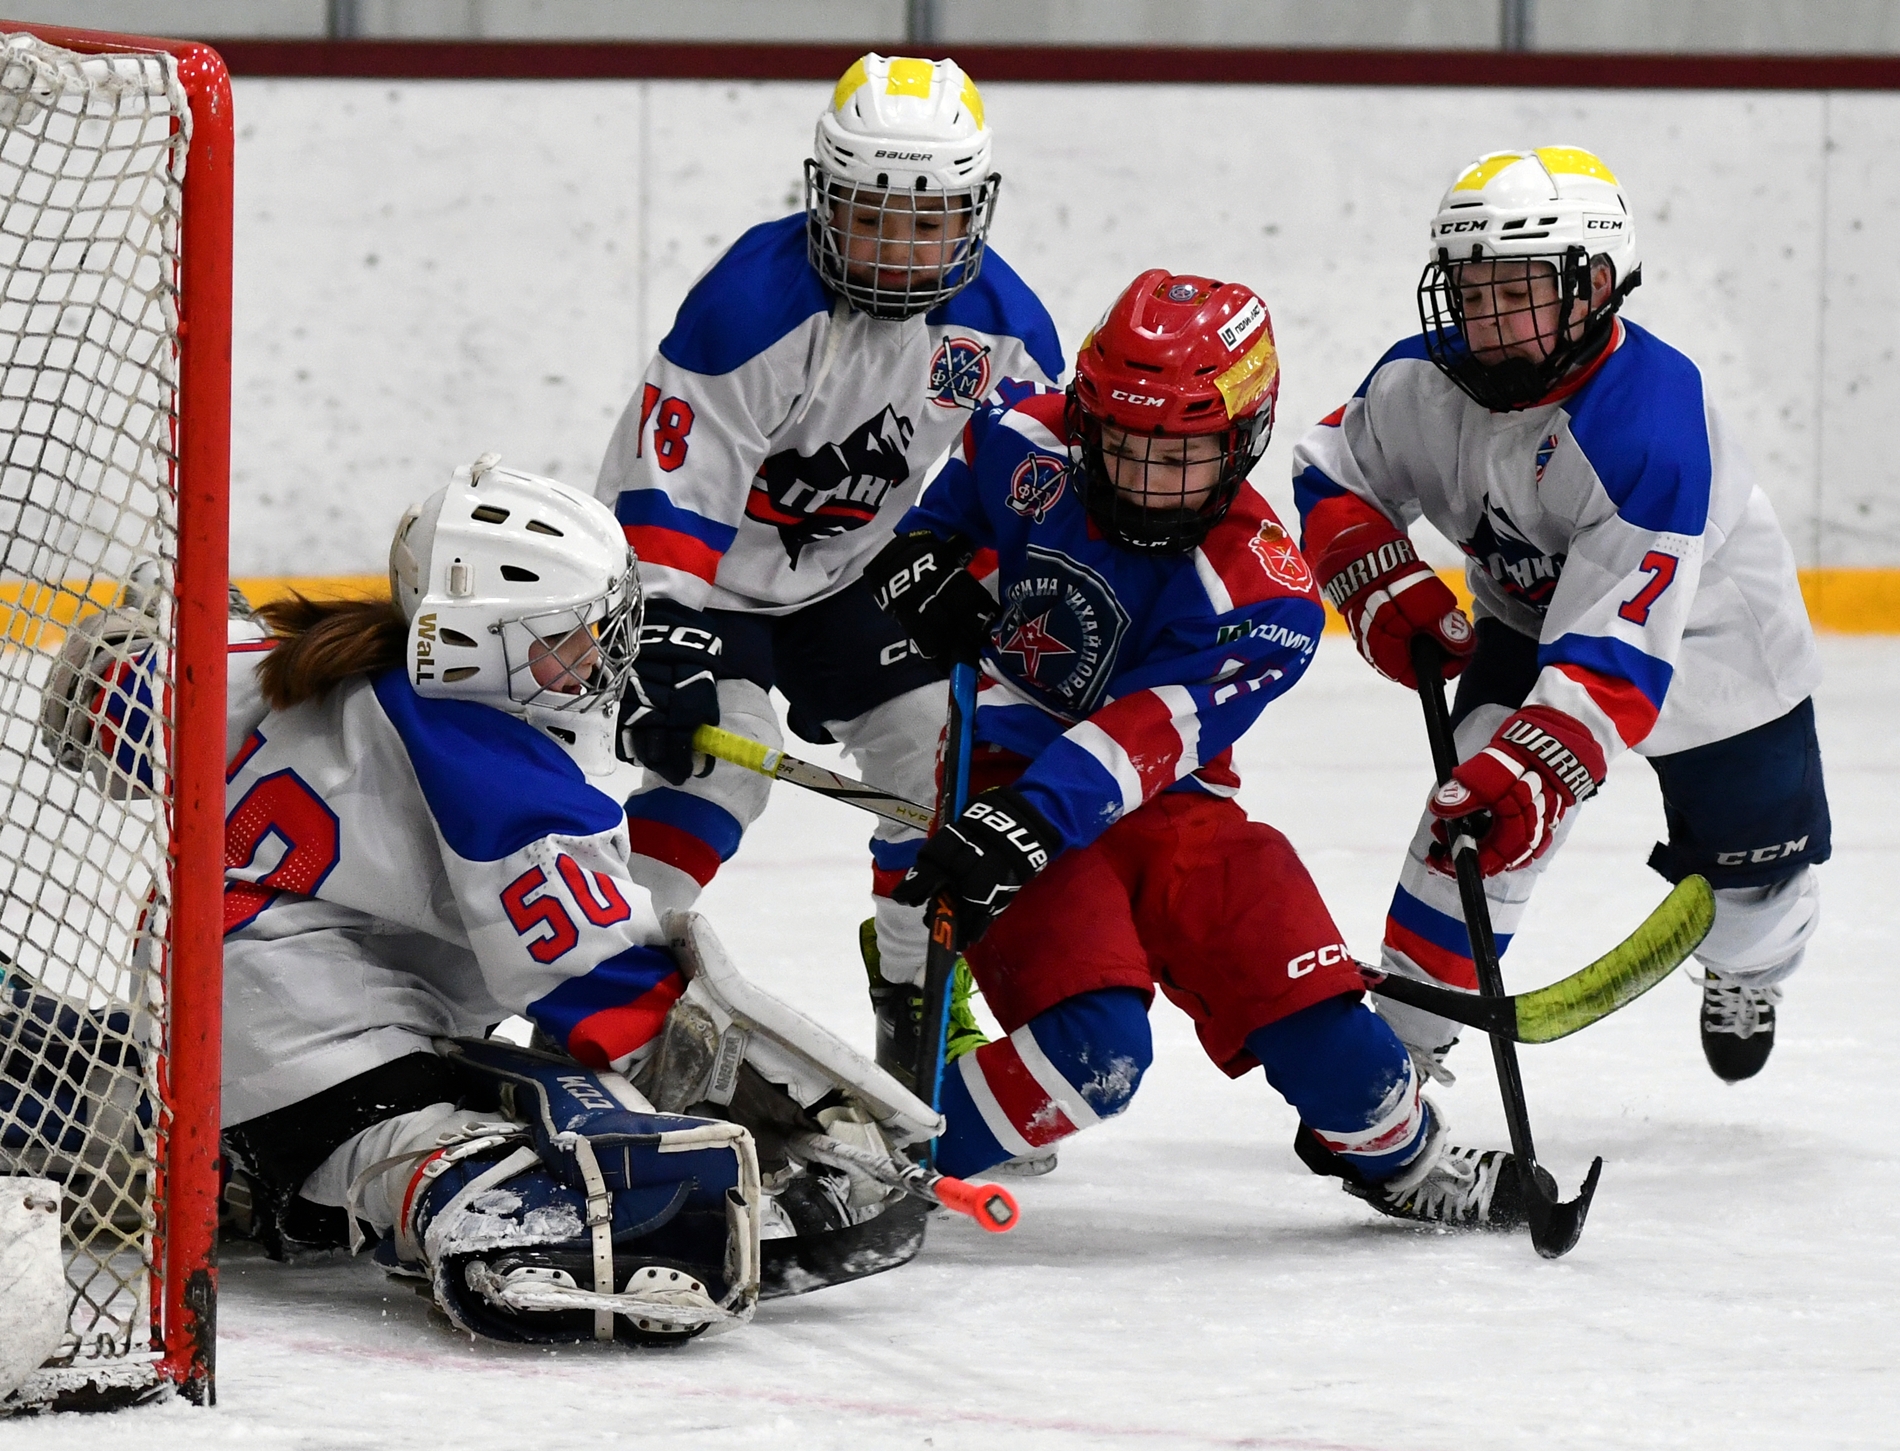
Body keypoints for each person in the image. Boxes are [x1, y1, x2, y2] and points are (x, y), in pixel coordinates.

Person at [23, 459, 944, 1345]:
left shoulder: (294, 654)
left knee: (398, 1081)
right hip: (321, 1045)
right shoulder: (502, 776)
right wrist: (784, 1107)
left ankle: (112, 1105)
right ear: (484, 647)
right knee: (489, 1147)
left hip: (203, 999)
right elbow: (597, 978)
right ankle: (448, 1205)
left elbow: (114, 692)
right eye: (572, 641)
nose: (603, 657)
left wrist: (122, 676)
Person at [862, 270, 1535, 1227]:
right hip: (1006, 768)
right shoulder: (1021, 435)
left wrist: (1024, 823)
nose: (1139, 475)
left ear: (1243, 439)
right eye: (1121, 444)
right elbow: (930, 534)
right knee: (1093, 1051)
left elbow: (1150, 734)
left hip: (1162, 798)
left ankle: (1404, 1157)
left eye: (1176, 455)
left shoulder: (1267, 596)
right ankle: (869, 1163)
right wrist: (915, 567)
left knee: (1330, 1032)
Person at [1290, 147, 1827, 1084]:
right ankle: (1404, 1050)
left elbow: (1615, 658)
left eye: (1521, 290)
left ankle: (1750, 968)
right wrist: (1374, 573)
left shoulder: (1645, 427)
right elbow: (1334, 468)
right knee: (1468, 825)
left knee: (1753, 874)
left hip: (1712, 646)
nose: (1490, 319)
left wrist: (1539, 769)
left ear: (1598, 286)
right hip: (1530, 619)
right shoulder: (1422, 381)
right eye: (1473, 288)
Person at [594, 53, 1062, 1084]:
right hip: (706, 584)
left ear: (974, 211)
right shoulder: (752, 304)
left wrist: (972, 573)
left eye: (927, 219)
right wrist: (659, 624)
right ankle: (601, 994)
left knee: (943, 769)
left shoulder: (1006, 330)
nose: (898, 247)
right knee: (716, 761)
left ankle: (917, 1002)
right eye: (869, 214)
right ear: (823, 195)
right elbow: (671, 479)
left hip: (851, 580)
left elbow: (1025, 490)